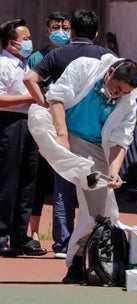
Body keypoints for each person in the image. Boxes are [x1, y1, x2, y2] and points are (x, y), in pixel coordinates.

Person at [28, 54, 137, 284]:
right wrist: (62, 136)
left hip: (93, 145)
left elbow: (121, 139)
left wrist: (115, 170)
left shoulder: (129, 99)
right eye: (117, 88)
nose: (119, 94)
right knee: (36, 116)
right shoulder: (84, 67)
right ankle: (61, 157)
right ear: (109, 73)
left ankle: (78, 263)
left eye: (125, 92)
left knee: (99, 207)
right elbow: (56, 98)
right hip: (61, 129)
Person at [24, 9, 115, 259]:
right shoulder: (106, 55)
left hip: (63, 129)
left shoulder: (58, 53)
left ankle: (63, 243)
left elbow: (30, 79)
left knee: (63, 186)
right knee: (95, 189)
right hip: (94, 133)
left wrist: (44, 102)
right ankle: (92, 242)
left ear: (72, 31)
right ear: (96, 34)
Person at [27, 11, 71, 259]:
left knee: (64, 180)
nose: (61, 31)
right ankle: (33, 233)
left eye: (65, 27)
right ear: (47, 30)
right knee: (37, 179)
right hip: (42, 124)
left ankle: (64, 236)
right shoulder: (36, 58)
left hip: (66, 124)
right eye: (56, 27)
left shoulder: (72, 55)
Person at [0, 19, 44, 258]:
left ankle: (19, 235)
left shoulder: (28, 65)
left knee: (28, 181)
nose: (30, 43)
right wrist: (30, 98)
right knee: (8, 180)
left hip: (30, 123)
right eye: (25, 39)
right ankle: (1, 234)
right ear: (11, 43)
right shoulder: (3, 65)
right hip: (9, 123)